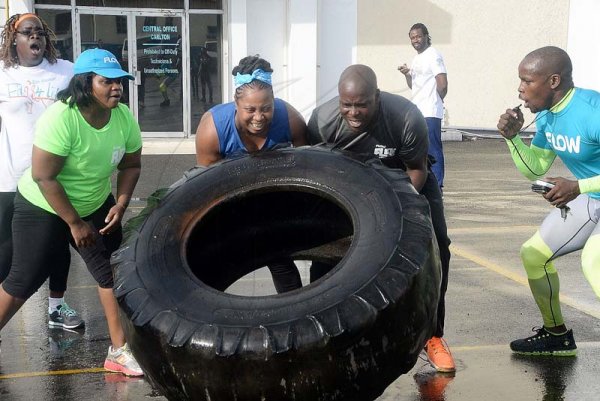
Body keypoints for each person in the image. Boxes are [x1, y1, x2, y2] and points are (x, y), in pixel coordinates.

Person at [0, 48, 144, 376]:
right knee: (24, 279)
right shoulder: (62, 118)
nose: (116, 88)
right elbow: (43, 175)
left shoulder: (123, 117)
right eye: (106, 81)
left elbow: (132, 165)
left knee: (111, 274)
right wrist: (74, 223)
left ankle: (119, 352)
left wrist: (120, 204)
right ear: (84, 84)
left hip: (93, 203)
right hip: (43, 204)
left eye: (120, 81)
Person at [307, 64, 455, 373]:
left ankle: (434, 334)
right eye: (347, 104)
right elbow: (317, 171)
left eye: (362, 103)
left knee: (439, 245)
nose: (354, 111)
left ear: (377, 96)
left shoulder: (405, 117)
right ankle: (321, 336)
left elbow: (417, 169)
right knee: (322, 247)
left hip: (405, 179)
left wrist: (394, 211)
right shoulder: (323, 120)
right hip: (351, 184)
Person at [497, 46, 600, 356]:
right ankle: (557, 336)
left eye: (527, 81)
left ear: (553, 81)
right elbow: (536, 167)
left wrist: (578, 186)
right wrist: (513, 138)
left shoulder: (592, 111)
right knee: (533, 255)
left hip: (587, 191)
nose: (520, 88)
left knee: (594, 261)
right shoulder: (545, 117)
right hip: (591, 197)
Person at [195, 55, 307, 293]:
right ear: (236, 104)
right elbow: (205, 189)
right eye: (250, 109)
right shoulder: (212, 129)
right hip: (230, 199)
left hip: (274, 198)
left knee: (278, 258)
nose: (259, 117)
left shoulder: (290, 119)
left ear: (274, 102)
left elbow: (309, 167)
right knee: (218, 261)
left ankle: (294, 311)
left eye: (266, 108)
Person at [0, 13, 84, 330]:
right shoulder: (2, 73)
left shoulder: (66, 71)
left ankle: (56, 307)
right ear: (14, 39)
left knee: (56, 245)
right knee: (6, 250)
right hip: (9, 178)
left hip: (54, 179)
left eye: (40, 32)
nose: (35, 37)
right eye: (27, 32)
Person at [398, 23, 448, 190]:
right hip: (417, 111)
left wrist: (437, 101)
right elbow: (415, 86)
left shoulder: (433, 55)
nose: (415, 40)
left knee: (433, 148)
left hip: (430, 111)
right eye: (412, 38)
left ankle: (438, 185)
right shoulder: (417, 58)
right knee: (419, 149)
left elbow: (442, 84)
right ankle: (427, 182)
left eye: (418, 36)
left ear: (426, 36)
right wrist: (407, 74)